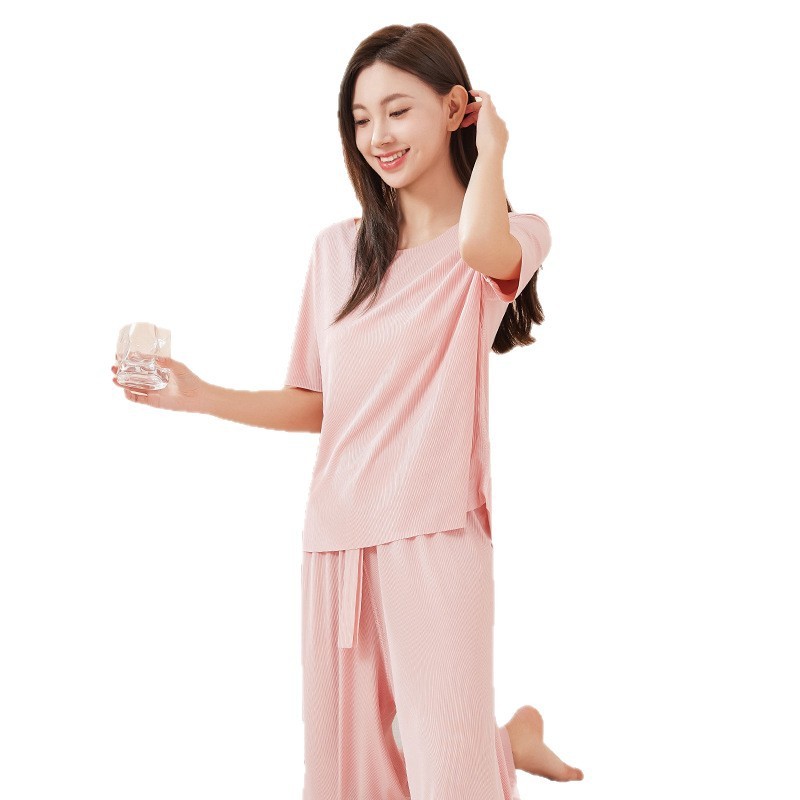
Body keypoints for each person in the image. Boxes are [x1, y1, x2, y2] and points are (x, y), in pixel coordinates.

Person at [112, 22, 584, 799]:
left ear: (455, 108)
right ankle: (511, 743)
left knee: (450, 774)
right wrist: (198, 395)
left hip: (436, 532)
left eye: (398, 111)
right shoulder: (337, 251)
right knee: (353, 776)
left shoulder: (514, 233)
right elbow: (319, 404)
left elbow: (478, 249)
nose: (377, 137)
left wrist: (493, 146)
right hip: (337, 538)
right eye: (361, 119)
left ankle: (500, 747)